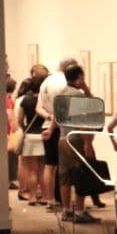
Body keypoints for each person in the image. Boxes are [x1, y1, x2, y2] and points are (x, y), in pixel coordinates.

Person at [55, 64, 98, 224]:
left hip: (62, 138)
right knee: (81, 174)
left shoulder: (60, 94)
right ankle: (79, 211)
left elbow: (57, 119)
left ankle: (66, 210)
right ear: (79, 77)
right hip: (76, 138)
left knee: (65, 176)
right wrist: (88, 143)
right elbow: (83, 120)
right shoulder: (78, 95)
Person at [36, 61, 70, 210]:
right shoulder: (63, 82)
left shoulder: (46, 82)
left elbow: (39, 108)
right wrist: (53, 122)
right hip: (59, 127)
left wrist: (49, 117)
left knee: (49, 165)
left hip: (47, 124)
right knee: (63, 166)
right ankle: (64, 201)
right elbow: (61, 109)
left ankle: (50, 199)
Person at [14, 78, 47, 204]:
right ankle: (44, 197)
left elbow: (20, 119)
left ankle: (32, 197)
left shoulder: (26, 100)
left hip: (30, 136)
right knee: (42, 170)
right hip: (44, 135)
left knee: (32, 170)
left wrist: (24, 128)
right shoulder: (45, 100)